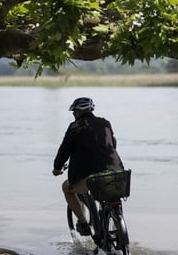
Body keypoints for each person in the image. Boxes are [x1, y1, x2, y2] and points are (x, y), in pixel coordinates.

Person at [52, 97, 124, 235]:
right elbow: (112, 144)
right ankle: (120, 235)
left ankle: (84, 225)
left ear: (77, 112)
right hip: (115, 172)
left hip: (88, 177)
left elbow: (64, 151)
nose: (73, 115)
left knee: (66, 188)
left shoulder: (74, 127)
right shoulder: (106, 123)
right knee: (112, 196)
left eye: (73, 112)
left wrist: (57, 168)